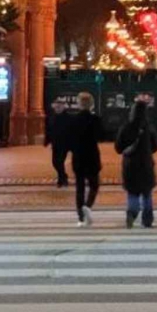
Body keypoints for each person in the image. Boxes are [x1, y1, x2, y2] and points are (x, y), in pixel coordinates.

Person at [115, 98, 157, 228]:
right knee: (147, 193)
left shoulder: (126, 127)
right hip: (146, 164)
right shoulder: (149, 128)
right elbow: (156, 146)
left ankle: (132, 213)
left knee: (132, 193)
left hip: (130, 165)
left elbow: (118, 148)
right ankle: (147, 219)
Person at [69, 91, 102, 227]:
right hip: (92, 156)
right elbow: (101, 136)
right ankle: (87, 206)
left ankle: (80, 218)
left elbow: (69, 139)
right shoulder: (96, 119)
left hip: (78, 157)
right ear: (91, 104)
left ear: (79, 104)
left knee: (80, 187)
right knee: (94, 184)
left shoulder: (73, 120)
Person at [44, 100, 71, 188]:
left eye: (59, 107)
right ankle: (63, 176)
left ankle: (61, 180)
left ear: (63, 107)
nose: (58, 108)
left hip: (64, 144)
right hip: (55, 144)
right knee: (55, 162)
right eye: (56, 107)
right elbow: (49, 130)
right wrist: (47, 140)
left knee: (60, 161)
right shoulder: (52, 117)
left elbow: (71, 131)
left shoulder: (67, 117)